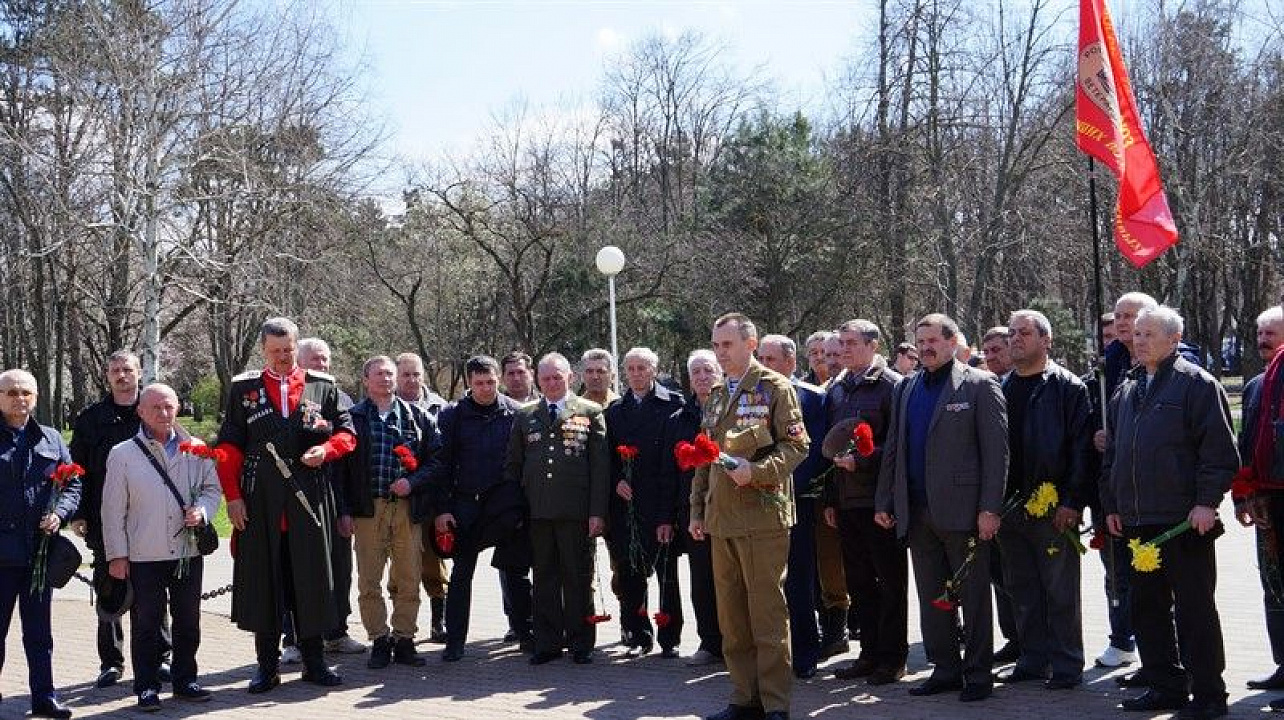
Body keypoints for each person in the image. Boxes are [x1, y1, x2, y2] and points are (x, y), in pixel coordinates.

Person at [1101, 305, 1237, 720]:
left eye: (1148, 334)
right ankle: (1165, 686)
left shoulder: (1197, 385)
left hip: (1183, 521)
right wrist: (1113, 505)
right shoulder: (1127, 389)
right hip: (1137, 522)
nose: (1138, 342)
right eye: (1136, 335)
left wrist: (1206, 502)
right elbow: (1115, 456)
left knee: (1195, 611)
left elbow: (1219, 453)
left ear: (1174, 340)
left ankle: (1209, 695)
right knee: (1147, 610)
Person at [213, 317, 356, 694]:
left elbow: (347, 433)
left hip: (309, 496)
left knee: (311, 580)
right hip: (261, 500)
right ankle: (266, 667)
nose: (281, 358)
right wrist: (233, 497)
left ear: (297, 347)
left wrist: (325, 450)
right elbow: (228, 446)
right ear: (263, 350)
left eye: (288, 351)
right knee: (264, 582)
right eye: (274, 352)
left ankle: (314, 663)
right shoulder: (244, 389)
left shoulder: (321, 387)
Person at [874, 313, 1007, 703]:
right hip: (916, 511)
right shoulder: (906, 388)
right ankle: (945, 668)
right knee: (933, 595)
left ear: (952, 342)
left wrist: (990, 508)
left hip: (964, 511)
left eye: (933, 340)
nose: (926, 347)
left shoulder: (980, 385)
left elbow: (997, 454)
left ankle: (978, 672)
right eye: (921, 341)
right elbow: (895, 448)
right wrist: (885, 499)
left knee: (974, 595)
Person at [691, 313, 809, 720]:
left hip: (762, 521)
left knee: (767, 616)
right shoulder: (718, 393)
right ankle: (744, 698)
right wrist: (696, 510)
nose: (720, 353)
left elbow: (797, 448)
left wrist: (756, 473)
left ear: (750, 343)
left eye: (727, 344)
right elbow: (704, 458)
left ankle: (775, 703)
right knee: (733, 619)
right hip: (721, 520)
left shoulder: (775, 388)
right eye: (716, 345)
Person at [102, 384, 222, 711]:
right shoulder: (122, 454)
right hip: (143, 555)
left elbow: (212, 490)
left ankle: (185, 680)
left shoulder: (196, 449)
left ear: (178, 407)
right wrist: (117, 555)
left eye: (169, 406)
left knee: (188, 621)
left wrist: (203, 511)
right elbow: (113, 510)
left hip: (187, 552)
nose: (163, 413)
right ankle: (146, 687)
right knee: (146, 625)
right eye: (155, 407)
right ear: (140, 411)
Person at [992, 310, 1092, 690]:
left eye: (1024, 333)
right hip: (1009, 508)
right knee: (1022, 589)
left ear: (1046, 340)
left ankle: (1066, 663)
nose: (1015, 339)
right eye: (1012, 333)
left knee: (1060, 591)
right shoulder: (999, 387)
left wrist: (1072, 501)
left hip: (1053, 509)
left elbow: (1082, 449)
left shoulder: (1068, 387)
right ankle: (1033, 659)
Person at [69, 350, 171, 689]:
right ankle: (111, 662)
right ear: (107, 375)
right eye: (115, 370)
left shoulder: (155, 411)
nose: (121, 375)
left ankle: (162, 656)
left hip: (151, 517)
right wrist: (79, 512)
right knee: (110, 589)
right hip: (105, 518)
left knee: (155, 589)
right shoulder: (90, 419)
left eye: (127, 369)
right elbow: (77, 470)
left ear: (139, 372)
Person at [336, 356, 440, 670]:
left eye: (389, 374)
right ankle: (379, 639)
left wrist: (412, 481)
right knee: (369, 579)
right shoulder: (352, 419)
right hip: (367, 509)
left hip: (407, 509)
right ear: (366, 380)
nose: (385, 379)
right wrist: (343, 511)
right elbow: (338, 471)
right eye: (378, 374)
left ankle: (404, 639)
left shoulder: (418, 417)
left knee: (409, 577)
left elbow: (437, 461)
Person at [507, 353, 609, 665]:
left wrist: (597, 513)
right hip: (538, 511)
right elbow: (514, 465)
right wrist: (517, 510)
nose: (552, 383)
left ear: (570, 378)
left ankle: (581, 642)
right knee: (544, 577)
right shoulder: (525, 415)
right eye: (546, 378)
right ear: (538, 380)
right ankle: (547, 642)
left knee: (577, 577)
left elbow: (600, 469)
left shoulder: (591, 412)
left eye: (557, 377)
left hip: (576, 511)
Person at [432, 355, 533, 661]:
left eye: (491, 382)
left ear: (498, 379)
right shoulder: (452, 416)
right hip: (466, 505)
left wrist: (522, 506)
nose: (486, 389)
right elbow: (442, 465)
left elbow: (526, 463)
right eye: (479, 383)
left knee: (515, 573)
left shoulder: (516, 413)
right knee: (461, 575)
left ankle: (527, 635)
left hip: (507, 505)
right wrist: (442, 508)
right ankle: (455, 642)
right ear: (468, 383)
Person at [823, 319, 907, 685]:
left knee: (889, 581)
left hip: (878, 499)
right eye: (841, 343)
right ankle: (868, 653)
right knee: (858, 582)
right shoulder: (838, 389)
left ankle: (893, 658)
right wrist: (829, 498)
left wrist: (864, 461)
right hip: (846, 500)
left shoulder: (892, 386)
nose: (844, 349)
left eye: (851, 343)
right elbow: (828, 445)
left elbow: (898, 445)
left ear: (873, 345)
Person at [0, 369, 80, 719]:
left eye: (26, 393)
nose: (20, 398)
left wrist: (60, 514)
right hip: (1, 557)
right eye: (12, 392)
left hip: (37, 555)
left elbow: (73, 483)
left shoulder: (50, 438)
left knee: (40, 635)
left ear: (36, 397)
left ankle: (44, 698)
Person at [604, 347, 686, 657]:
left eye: (642, 368)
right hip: (626, 506)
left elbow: (674, 461)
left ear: (654, 370)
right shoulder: (615, 411)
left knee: (667, 574)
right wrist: (616, 480)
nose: (637, 374)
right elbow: (605, 457)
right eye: (631, 368)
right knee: (630, 573)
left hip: (661, 502)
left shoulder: (672, 407)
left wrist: (669, 511)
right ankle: (637, 635)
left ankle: (670, 638)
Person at [757, 334, 826, 679]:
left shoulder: (813, 399)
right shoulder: (750, 397)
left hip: (796, 502)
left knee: (799, 580)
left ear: (791, 362)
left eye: (771, 359)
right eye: (761, 358)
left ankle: (805, 651)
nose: (765, 366)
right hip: (756, 502)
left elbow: (816, 453)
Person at [294, 337, 364, 658]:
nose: (321, 365)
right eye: (315, 359)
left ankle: (337, 632)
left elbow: (350, 460)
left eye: (325, 360)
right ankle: (293, 639)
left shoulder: (341, 399)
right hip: (295, 501)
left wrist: (347, 508)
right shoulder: (286, 396)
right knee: (295, 571)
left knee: (339, 569)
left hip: (334, 500)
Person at [661, 350, 724, 666]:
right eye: (696, 371)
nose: (702, 377)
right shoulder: (678, 419)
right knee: (702, 579)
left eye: (709, 370)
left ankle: (738, 645)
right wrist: (668, 516)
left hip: (729, 506)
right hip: (694, 510)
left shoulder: (732, 409)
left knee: (733, 579)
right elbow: (668, 472)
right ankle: (710, 643)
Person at [1235, 306, 1284, 708]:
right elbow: (1245, 443)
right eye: (1259, 331)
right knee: (1273, 587)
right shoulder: (1255, 386)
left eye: (1271, 332)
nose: (1262, 339)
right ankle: (1282, 664)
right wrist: (1240, 494)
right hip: (1265, 502)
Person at [394, 352, 450, 643]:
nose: (412, 380)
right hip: (396, 499)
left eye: (416, 374)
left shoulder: (440, 407)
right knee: (399, 566)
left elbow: (445, 457)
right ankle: (400, 625)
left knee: (432, 562)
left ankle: (438, 620)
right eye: (406, 375)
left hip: (431, 497)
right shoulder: (387, 407)